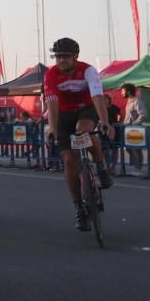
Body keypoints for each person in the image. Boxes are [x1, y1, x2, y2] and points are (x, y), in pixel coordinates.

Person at [44, 37, 114, 231]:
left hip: (86, 108)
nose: (61, 60)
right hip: (64, 113)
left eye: (65, 57)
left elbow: (97, 95)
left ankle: (100, 165)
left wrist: (105, 122)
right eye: (58, 57)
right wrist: (53, 129)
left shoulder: (87, 70)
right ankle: (78, 207)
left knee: (84, 128)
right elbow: (52, 103)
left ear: (76, 57)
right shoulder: (51, 74)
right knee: (69, 160)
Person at [122, 83, 147, 175]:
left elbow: (143, 114)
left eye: (123, 91)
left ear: (128, 91)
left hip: (135, 129)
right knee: (128, 148)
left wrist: (134, 124)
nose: (121, 93)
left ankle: (139, 168)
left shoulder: (137, 101)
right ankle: (136, 165)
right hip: (127, 128)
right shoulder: (129, 101)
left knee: (137, 148)